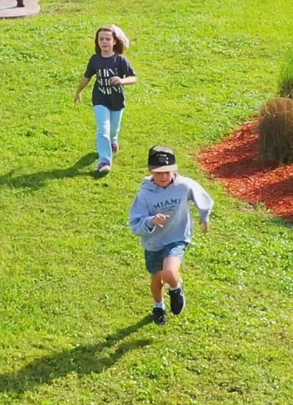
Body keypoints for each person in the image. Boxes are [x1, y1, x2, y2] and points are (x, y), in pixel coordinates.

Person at [128, 146, 213, 325]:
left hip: (177, 236)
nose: (164, 177)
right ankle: (159, 306)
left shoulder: (184, 185)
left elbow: (201, 196)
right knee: (157, 278)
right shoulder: (144, 195)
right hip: (154, 242)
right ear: (150, 171)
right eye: (159, 173)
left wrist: (204, 216)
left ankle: (176, 289)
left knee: (169, 273)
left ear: (174, 169)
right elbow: (136, 225)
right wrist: (151, 221)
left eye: (168, 172)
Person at [74, 25, 137, 175]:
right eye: (101, 39)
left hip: (117, 100)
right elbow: (87, 77)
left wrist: (121, 81)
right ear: (97, 41)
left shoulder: (120, 60)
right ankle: (104, 161)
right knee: (103, 129)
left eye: (108, 39)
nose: (104, 42)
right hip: (100, 98)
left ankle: (113, 141)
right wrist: (79, 92)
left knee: (113, 130)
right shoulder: (95, 60)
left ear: (114, 41)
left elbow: (133, 77)